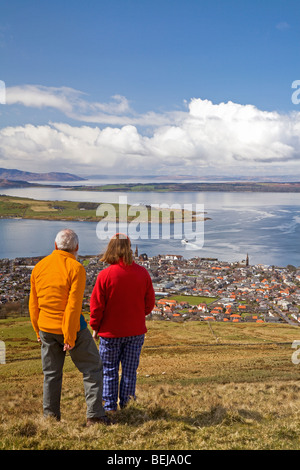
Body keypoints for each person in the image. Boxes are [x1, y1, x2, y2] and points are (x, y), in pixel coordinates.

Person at [29, 228, 108, 426]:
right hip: (72, 329)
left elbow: (33, 303)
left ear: (55, 246)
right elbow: (72, 307)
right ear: (77, 247)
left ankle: (51, 418)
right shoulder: (75, 268)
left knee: (51, 375)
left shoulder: (39, 267)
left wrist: (37, 330)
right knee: (92, 368)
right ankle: (95, 416)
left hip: (46, 328)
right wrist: (70, 337)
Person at [90, 233, 155, 412]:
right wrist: (136, 315)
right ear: (128, 249)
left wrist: (95, 327)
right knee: (129, 371)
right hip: (135, 332)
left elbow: (96, 307)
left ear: (111, 249)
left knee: (109, 371)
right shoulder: (142, 273)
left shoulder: (105, 275)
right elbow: (149, 304)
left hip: (110, 333)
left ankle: (110, 408)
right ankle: (127, 406)